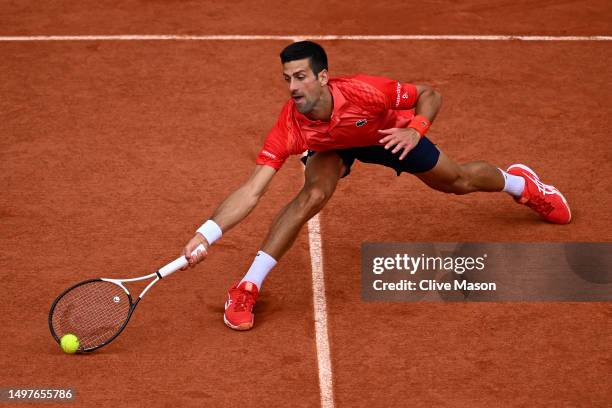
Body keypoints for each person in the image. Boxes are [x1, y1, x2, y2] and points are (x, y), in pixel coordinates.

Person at [182, 41, 571, 331]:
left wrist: (416, 131)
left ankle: (522, 185)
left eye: (300, 77)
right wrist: (206, 233)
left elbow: (430, 95)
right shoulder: (290, 125)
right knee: (312, 195)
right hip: (330, 148)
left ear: (322, 76)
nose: (292, 87)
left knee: (459, 181)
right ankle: (248, 284)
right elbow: (252, 191)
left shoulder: (365, 91)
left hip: (387, 134)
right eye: (286, 79)